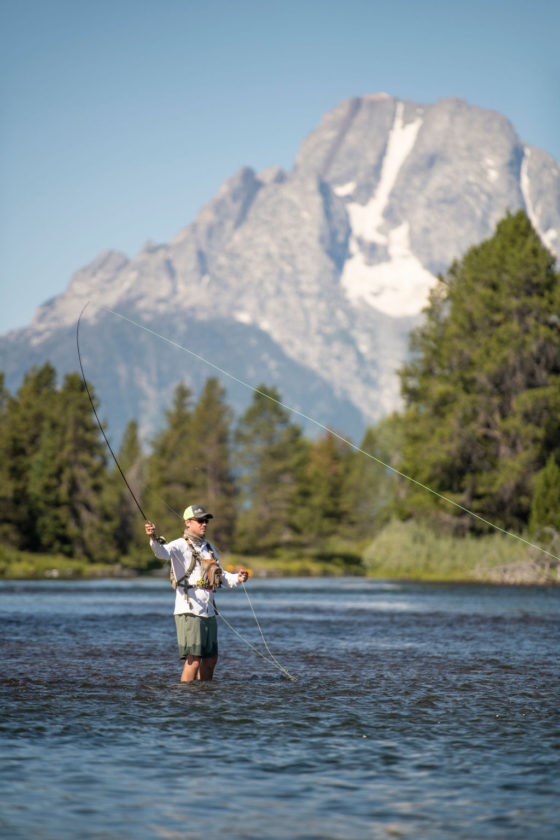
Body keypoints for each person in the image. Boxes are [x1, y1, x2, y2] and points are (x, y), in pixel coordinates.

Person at [145, 504, 248, 682]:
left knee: (211, 659)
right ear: (188, 523)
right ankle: (186, 698)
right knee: (193, 660)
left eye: (206, 520)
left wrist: (238, 578)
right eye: (200, 520)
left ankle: (204, 696)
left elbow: (222, 576)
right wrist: (153, 537)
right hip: (188, 611)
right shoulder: (179, 545)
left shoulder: (209, 547)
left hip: (208, 612)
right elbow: (162, 553)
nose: (204, 524)